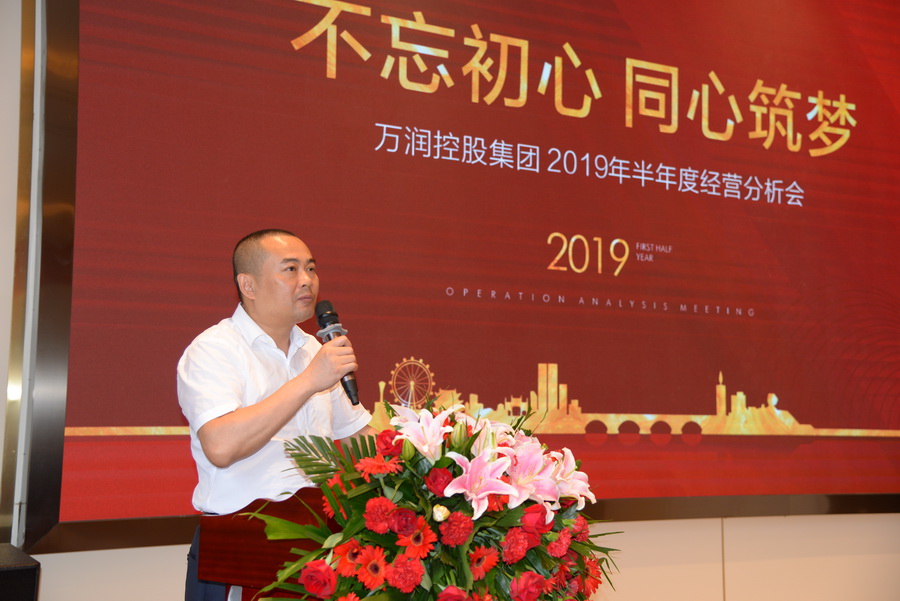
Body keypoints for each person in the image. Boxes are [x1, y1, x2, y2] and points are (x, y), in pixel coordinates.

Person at [177, 229, 374, 601]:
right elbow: (221, 446)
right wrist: (309, 380)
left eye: (311, 268)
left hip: (318, 548)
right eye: (291, 269)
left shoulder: (314, 349)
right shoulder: (215, 350)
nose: (307, 280)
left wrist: (426, 454)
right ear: (248, 285)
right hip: (239, 553)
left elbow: (358, 445)